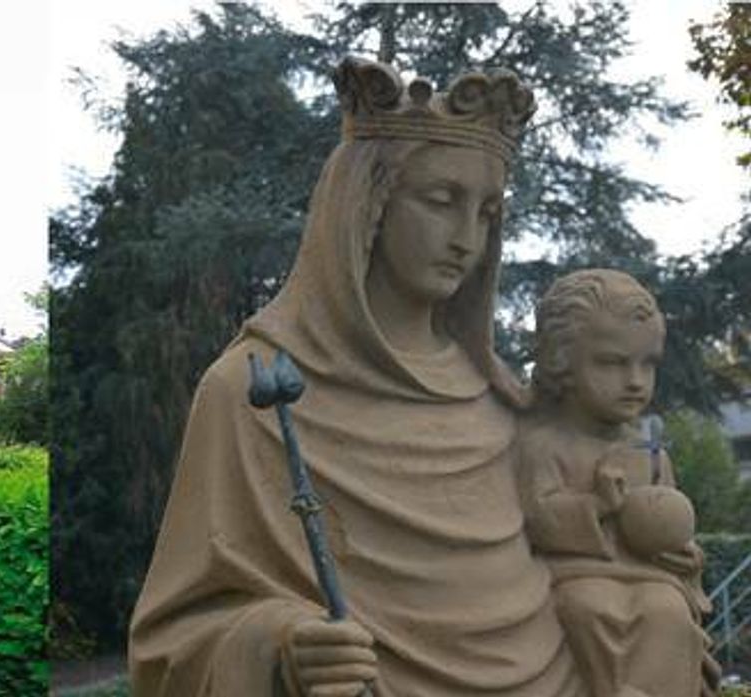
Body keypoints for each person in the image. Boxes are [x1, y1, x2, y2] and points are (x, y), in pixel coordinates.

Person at [129, 57, 716, 697]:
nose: (467, 237)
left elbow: (604, 562)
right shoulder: (255, 388)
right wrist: (283, 645)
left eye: (488, 212)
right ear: (368, 204)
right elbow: (175, 642)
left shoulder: (501, 401)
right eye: (441, 201)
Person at [519, 269, 708, 697]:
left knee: (669, 612)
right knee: (590, 607)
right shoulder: (542, 445)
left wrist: (684, 555)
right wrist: (597, 506)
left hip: (649, 579)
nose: (635, 381)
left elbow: (676, 537)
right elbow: (535, 518)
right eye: (611, 363)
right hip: (574, 576)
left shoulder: (653, 455)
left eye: (648, 363)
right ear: (561, 361)